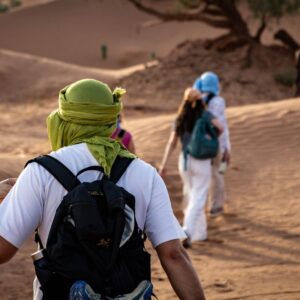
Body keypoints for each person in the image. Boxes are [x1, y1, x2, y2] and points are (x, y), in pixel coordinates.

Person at [0, 79, 206, 300]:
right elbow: (174, 255)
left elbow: (3, 250)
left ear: (63, 120)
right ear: (110, 120)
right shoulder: (145, 174)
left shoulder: (40, 172)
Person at [159, 87, 223, 248]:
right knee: (199, 196)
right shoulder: (205, 115)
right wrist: (212, 139)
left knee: (191, 193)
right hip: (201, 161)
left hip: (184, 161)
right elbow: (220, 127)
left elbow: (172, 142)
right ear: (201, 101)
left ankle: (200, 233)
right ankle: (186, 230)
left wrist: (164, 164)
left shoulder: (180, 117)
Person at [193, 71, 231, 217]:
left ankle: (200, 206)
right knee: (218, 174)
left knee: (202, 176)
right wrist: (227, 147)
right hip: (216, 145)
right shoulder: (218, 101)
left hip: (200, 145)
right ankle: (216, 207)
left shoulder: (198, 101)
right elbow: (222, 126)